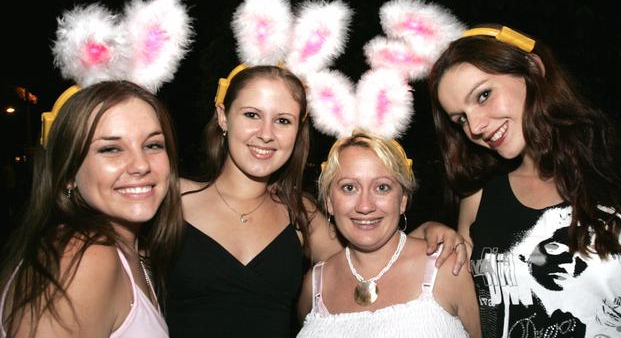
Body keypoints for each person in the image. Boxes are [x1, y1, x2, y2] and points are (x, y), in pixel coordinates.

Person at [165, 65, 466, 337]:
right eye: (252, 115)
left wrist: (427, 231)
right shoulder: (172, 198)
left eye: (282, 120)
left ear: (297, 132)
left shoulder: (300, 214)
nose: (266, 134)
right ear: (222, 116)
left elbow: (370, 253)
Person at [428, 24, 621, 337]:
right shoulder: (478, 200)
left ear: (532, 68)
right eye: (460, 119)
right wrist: (427, 233)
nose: (475, 126)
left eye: (483, 95)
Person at [0, 81, 183, 337]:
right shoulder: (84, 256)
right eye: (111, 149)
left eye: (153, 145)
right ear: (68, 173)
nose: (141, 165)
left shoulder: (134, 250)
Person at [296, 130, 480, 337]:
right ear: (329, 201)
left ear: (402, 200)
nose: (365, 206)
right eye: (349, 187)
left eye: (382, 187)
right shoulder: (314, 285)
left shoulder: (447, 267)